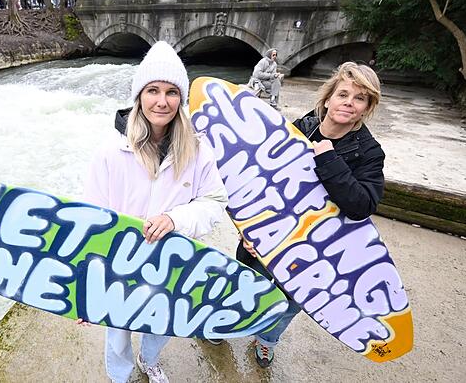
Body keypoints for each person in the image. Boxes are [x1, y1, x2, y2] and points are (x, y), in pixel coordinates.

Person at [82, 41, 228, 383]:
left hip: (170, 260)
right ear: (139, 96)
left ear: (182, 98)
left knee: (162, 318)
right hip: (119, 262)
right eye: (152, 90)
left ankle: (150, 360)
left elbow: (214, 201)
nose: (162, 101)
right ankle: (121, 374)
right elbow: (90, 219)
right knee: (117, 326)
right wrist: (86, 286)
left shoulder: (198, 150)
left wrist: (177, 219)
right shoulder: (109, 153)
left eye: (171, 92)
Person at [234, 62, 384, 368]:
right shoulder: (300, 128)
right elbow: (260, 182)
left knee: (291, 301)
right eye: (343, 94)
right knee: (246, 287)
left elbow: (362, 206)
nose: (348, 102)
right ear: (328, 98)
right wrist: (246, 229)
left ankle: (266, 341)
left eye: (359, 99)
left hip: (318, 250)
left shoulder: (369, 152)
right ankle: (224, 324)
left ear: (366, 108)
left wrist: (328, 158)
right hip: (270, 238)